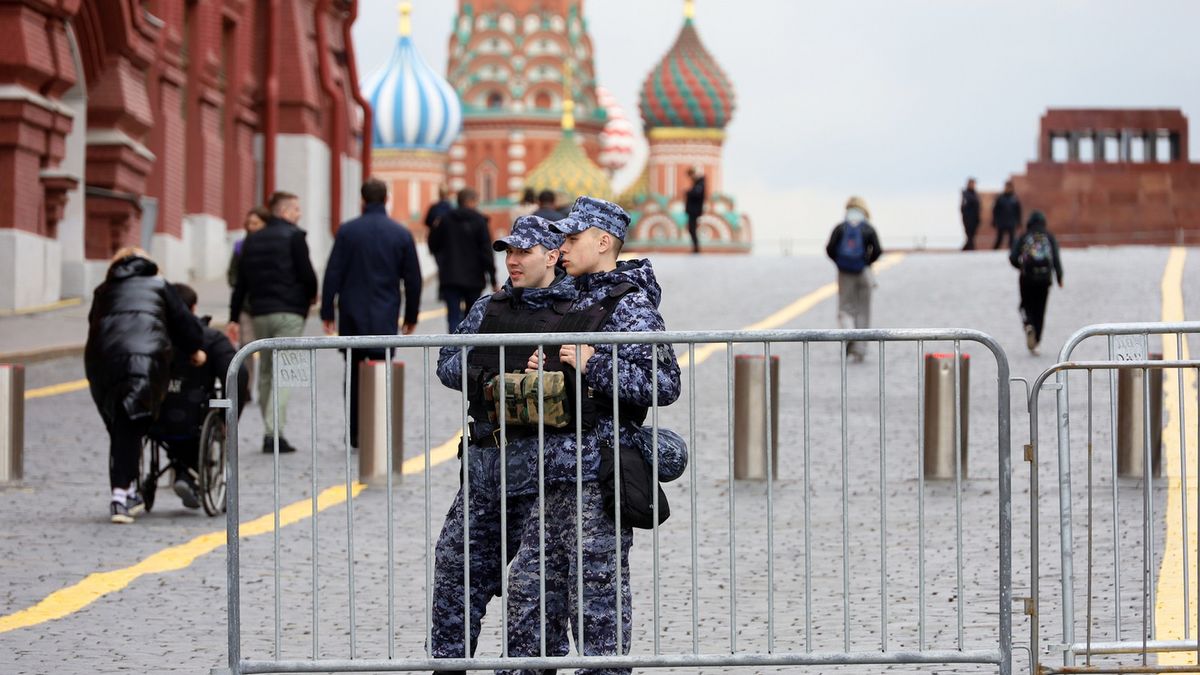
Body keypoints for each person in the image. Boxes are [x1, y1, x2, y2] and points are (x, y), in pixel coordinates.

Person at [502, 196, 681, 673]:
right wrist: (545, 371)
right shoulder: (574, 299)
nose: (562, 246)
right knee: (530, 589)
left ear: (604, 242)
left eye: (573, 238)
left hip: (595, 475)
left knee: (596, 596)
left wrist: (591, 363)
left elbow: (664, 384)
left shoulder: (631, 304)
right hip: (551, 471)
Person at [430, 215, 576, 670]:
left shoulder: (578, 310)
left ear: (551, 256)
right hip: (484, 469)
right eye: (508, 252)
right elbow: (448, 367)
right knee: (455, 576)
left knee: (533, 594)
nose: (512, 260)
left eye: (523, 252)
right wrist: (499, 376)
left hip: (543, 474)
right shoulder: (487, 308)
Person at [84, 247, 205, 523]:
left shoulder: (103, 289)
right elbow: (185, 324)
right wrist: (195, 349)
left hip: (102, 362)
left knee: (121, 425)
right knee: (131, 423)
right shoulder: (159, 284)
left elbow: (94, 324)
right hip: (144, 360)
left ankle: (125, 491)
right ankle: (120, 496)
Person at [320, 178, 423, 449]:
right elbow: (413, 279)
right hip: (384, 313)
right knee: (380, 371)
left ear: (362, 200)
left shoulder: (347, 231)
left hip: (352, 313)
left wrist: (327, 310)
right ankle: (377, 429)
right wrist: (411, 316)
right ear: (387, 198)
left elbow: (333, 272)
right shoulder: (400, 233)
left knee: (353, 372)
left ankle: (355, 432)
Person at [227, 190, 318, 454]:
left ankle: (270, 429)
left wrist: (234, 316)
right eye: (296, 209)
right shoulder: (295, 237)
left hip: (260, 313)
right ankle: (273, 432)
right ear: (285, 211)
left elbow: (240, 285)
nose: (299, 214)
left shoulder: (252, 241)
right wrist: (308, 299)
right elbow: (307, 275)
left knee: (266, 371)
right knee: (286, 372)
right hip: (289, 312)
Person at [153, 283, 250, 508]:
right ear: (193, 308)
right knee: (197, 415)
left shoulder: (152, 338)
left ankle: (168, 477)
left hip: (155, 417)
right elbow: (239, 374)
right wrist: (231, 416)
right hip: (193, 414)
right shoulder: (211, 339)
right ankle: (186, 476)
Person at [428, 187, 499, 332]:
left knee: (453, 316)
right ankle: (468, 351)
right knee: (471, 316)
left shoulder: (445, 220)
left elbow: (433, 245)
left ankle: (453, 350)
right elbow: (486, 251)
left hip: (450, 275)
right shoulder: (480, 220)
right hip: (474, 277)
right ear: (472, 201)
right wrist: (492, 278)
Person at [825, 196, 883, 362]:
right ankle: (860, 349)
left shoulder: (841, 227)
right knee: (863, 310)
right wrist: (866, 262)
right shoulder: (868, 228)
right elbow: (878, 250)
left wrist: (840, 263)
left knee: (845, 308)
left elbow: (829, 248)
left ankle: (848, 331)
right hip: (864, 273)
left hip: (844, 273)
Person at [1009, 210, 1063, 355]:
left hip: (1027, 278)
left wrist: (1022, 267)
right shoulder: (1049, 236)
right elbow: (1056, 258)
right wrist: (1059, 277)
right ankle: (1037, 340)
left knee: (1025, 305)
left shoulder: (1024, 236)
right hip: (1045, 279)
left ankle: (1028, 324)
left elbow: (1013, 257)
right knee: (1040, 309)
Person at [226, 206, 270, 343]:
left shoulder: (272, 246)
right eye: (249, 223)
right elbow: (232, 272)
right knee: (246, 343)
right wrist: (239, 283)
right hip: (245, 303)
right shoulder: (240, 246)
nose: (251, 227)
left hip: (266, 303)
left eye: (255, 223)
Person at [992, 180, 1022, 250]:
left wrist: (1019, 222)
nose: (1007, 188)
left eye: (1009, 187)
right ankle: (993, 252)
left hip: (1011, 222)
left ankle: (1012, 252)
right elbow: (995, 211)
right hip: (1001, 222)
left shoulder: (1015, 199)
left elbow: (1018, 211)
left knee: (1012, 239)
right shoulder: (1000, 198)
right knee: (999, 238)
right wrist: (994, 221)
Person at [684, 166, 706, 253]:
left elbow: (697, 194)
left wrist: (688, 192)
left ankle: (696, 248)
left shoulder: (700, 183)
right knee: (691, 228)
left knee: (692, 228)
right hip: (692, 210)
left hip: (694, 210)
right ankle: (695, 247)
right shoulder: (697, 183)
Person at [960, 178, 981, 251]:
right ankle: (972, 250)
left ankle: (964, 249)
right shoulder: (966, 194)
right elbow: (963, 207)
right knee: (970, 236)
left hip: (975, 218)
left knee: (971, 236)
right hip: (968, 218)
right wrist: (965, 217)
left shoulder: (975, 194)